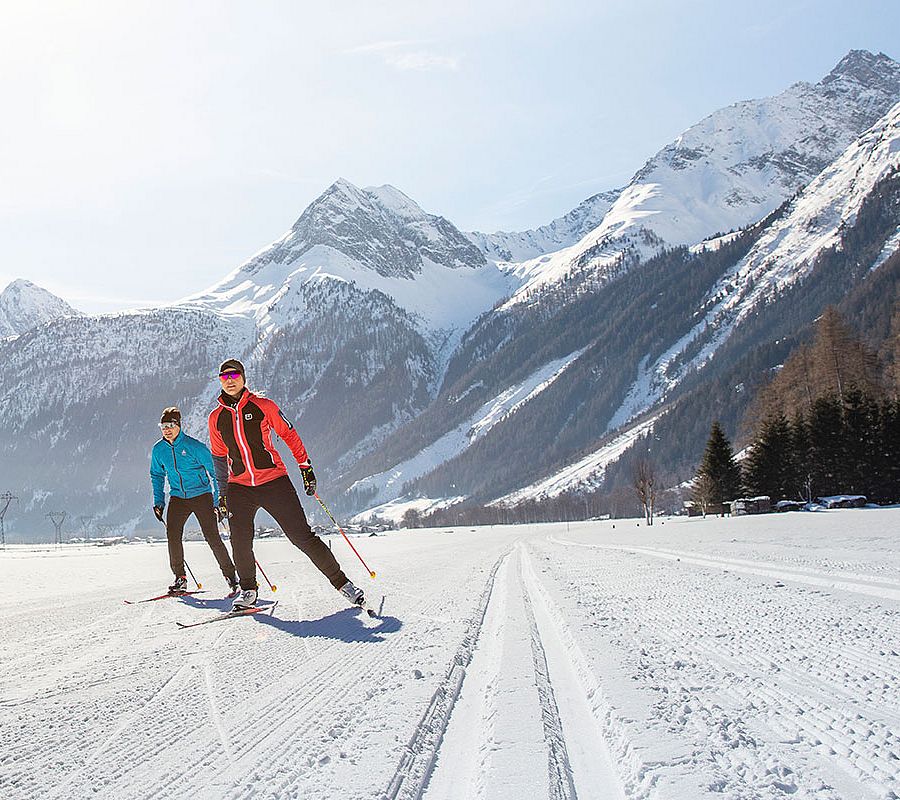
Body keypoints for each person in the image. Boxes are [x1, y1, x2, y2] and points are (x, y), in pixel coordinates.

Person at [208, 359, 365, 611]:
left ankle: (343, 583)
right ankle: (248, 590)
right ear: (219, 381)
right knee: (239, 540)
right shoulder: (216, 418)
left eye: (234, 375)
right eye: (224, 376)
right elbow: (218, 457)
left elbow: (289, 434)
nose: (230, 380)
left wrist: (305, 467)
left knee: (301, 536)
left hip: (273, 482)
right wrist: (223, 494)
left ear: (243, 378)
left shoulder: (263, 406)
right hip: (239, 486)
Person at [150, 406, 238, 595]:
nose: (166, 430)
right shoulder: (159, 450)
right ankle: (180, 578)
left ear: (179, 426)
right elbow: (156, 475)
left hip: (201, 496)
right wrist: (159, 502)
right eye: (163, 426)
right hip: (178, 497)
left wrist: (218, 501)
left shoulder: (194, 447)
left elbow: (216, 474)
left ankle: (232, 578)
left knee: (212, 537)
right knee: (173, 535)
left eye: (170, 425)